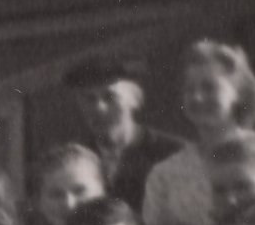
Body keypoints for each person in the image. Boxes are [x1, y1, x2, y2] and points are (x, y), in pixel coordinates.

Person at [142, 39, 255, 225]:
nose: (197, 97)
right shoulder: (165, 173)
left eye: (209, 88)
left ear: (239, 93)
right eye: (189, 89)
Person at [63, 54, 187, 210]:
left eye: (110, 97)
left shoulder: (171, 153)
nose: (99, 108)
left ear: (135, 100)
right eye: (89, 99)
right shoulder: (74, 159)